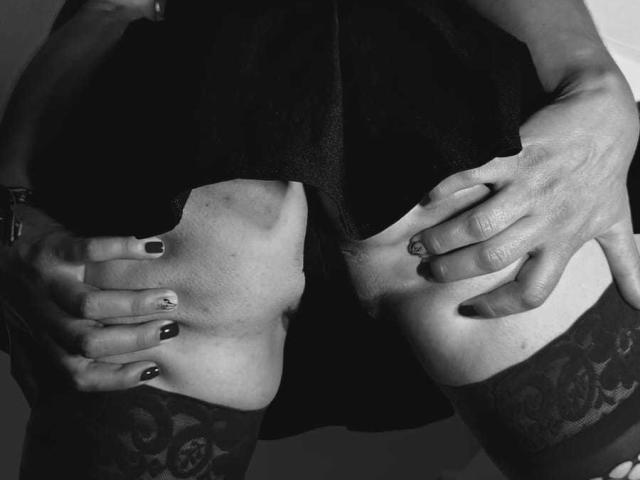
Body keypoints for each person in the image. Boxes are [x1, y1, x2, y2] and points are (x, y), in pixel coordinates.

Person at [0, 0, 639, 479]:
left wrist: (597, 92)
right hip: (212, 159)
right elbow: (110, 7)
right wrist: (11, 212)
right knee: (208, 215)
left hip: (444, 129)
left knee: (440, 140)